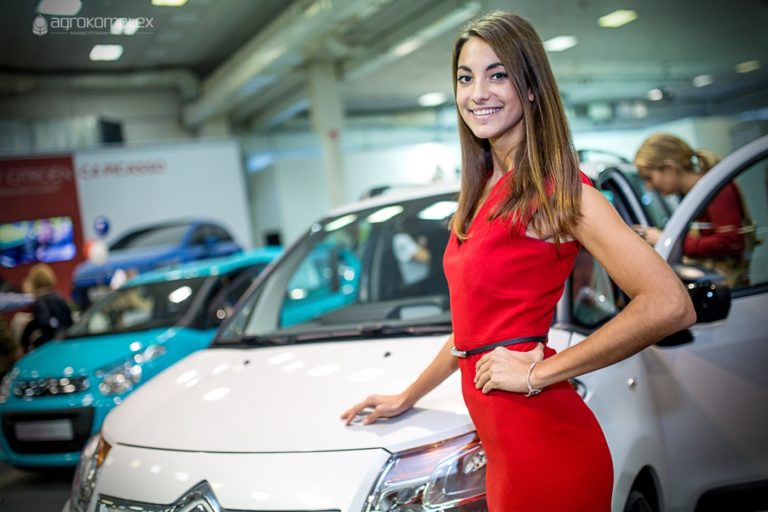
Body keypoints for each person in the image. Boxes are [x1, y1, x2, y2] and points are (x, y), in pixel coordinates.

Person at [341, 11, 695, 511]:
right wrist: (408, 395)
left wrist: (539, 373)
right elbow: (471, 332)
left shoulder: (560, 193)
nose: (477, 92)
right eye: (466, 78)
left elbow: (669, 304)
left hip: (546, 446)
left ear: (530, 88)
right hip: (506, 451)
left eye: (498, 74)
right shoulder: (483, 189)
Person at [634, 133, 750, 286]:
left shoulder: (716, 190)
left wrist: (667, 241)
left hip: (728, 289)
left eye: (649, 178)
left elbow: (730, 242)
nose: (649, 186)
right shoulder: (690, 195)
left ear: (669, 168)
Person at [19, 263, 73, 352]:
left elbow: (43, 322)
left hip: (50, 346)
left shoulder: (39, 301)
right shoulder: (59, 296)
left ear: (33, 282)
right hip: (66, 341)